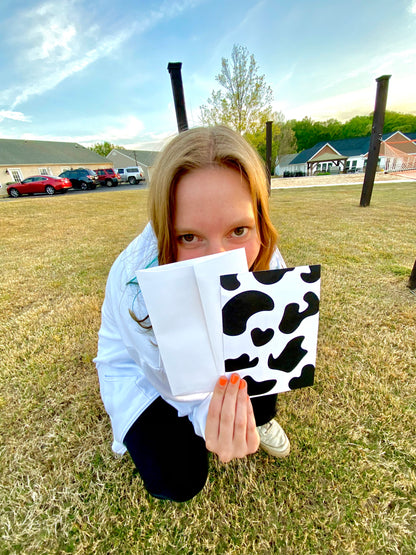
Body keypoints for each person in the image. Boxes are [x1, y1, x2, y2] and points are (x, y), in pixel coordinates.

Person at [94, 126, 290, 502]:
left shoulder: (267, 254)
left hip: (217, 347)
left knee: (264, 379)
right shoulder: (132, 287)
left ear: (259, 221)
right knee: (178, 480)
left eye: (238, 229)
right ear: (166, 228)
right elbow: (176, 381)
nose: (221, 263)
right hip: (146, 374)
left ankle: (260, 418)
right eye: (189, 237)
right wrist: (209, 421)